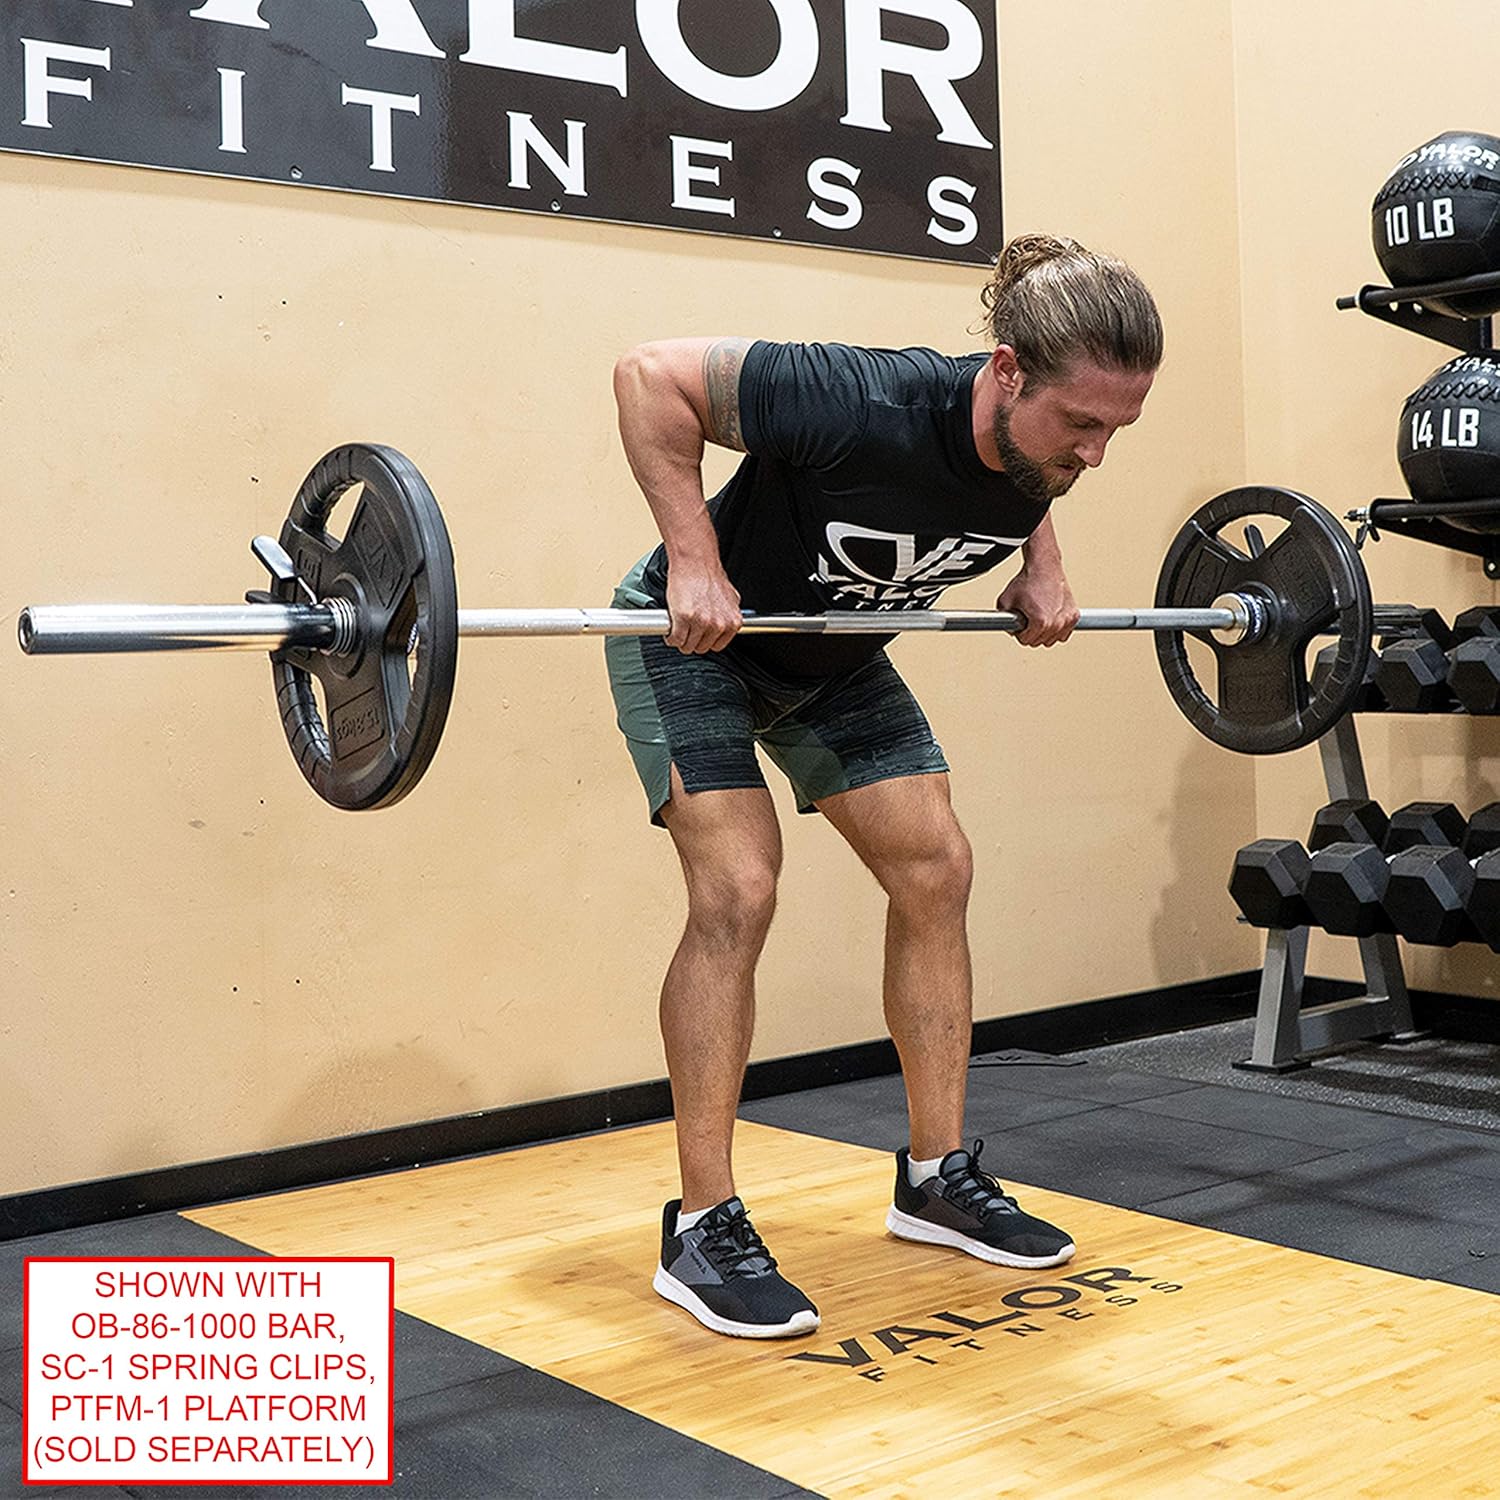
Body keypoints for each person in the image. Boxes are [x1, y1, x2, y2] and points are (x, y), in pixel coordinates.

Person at [605, 233, 1162, 1339]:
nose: (1096, 455)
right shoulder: (859, 396)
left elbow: (1018, 475)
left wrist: (1041, 562)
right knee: (740, 889)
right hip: (696, 646)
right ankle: (702, 1224)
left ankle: (934, 1176)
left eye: (1117, 429)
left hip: (838, 657)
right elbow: (648, 376)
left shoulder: (1035, 445)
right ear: (1007, 371)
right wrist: (693, 555)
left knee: (937, 868)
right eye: (1082, 425)